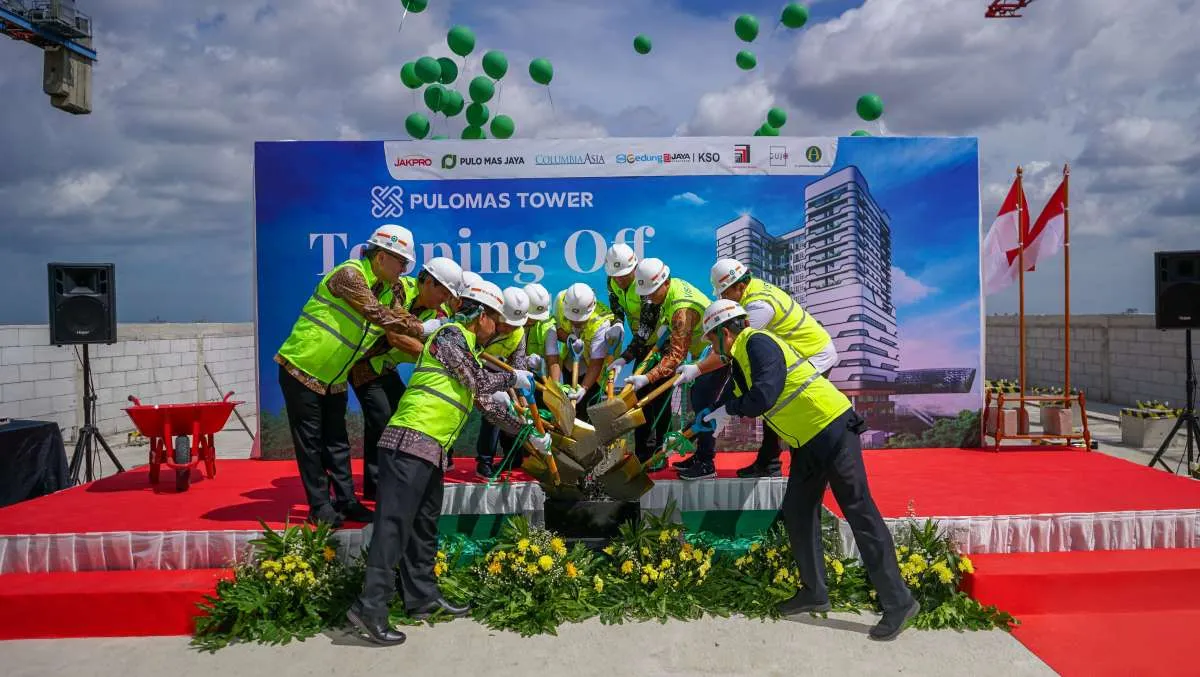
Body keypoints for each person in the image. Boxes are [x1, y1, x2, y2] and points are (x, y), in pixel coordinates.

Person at [693, 299, 919, 641]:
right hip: (807, 440)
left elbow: (764, 395)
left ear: (725, 332)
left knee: (858, 510)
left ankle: (899, 601)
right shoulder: (740, 357)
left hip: (831, 428)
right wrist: (713, 415)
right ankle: (814, 591)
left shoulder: (758, 342)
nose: (712, 349)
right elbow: (738, 396)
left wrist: (730, 409)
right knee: (798, 511)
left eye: (711, 341)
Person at [346, 278, 548, 646]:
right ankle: (370, 606)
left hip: (430, 451)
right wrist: (512, 377)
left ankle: (422, 597)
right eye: (496, 321)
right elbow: (476, 380)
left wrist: (529, 435)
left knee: (423, 528)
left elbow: (486, 404)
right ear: (480, 315)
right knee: (393, 527)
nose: (498, 329)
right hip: (408, 443)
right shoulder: (450, 336)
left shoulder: (467, 348)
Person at [275, 224, 418, 528]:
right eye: (401, 262)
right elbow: (378, 315)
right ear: (381, 257)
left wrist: (421, 326)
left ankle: (346, 501)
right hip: (302, 368)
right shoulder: (350, 275)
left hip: (335, 376)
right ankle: (319, 506)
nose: (404, 269)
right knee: (311, 443)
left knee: (337, 442)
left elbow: (400, 316)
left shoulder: (388, 288)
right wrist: (421, 328)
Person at [677, 259, 838, 478]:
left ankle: (806, 471)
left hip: (813, 354)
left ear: (740, 286)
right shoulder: (749, 294)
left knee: (788, 409)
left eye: (724, 293)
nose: (722, 298)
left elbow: (731, 348)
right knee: (772, 406)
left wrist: (697, 369)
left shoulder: (758, 306)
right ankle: (768, 464)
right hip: (795, 355)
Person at [350, 257, 463, 501]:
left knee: (399, 418)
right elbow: (395, 336)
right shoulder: (400, 289)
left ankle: (378, 484)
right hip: (363, 364)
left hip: (384, 367)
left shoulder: (435, 313)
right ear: (429, 282)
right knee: (381, 420)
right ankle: (379, 486)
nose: (444, 299)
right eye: (443, 292)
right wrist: (430, 354)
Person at [620, 258, 721, 478]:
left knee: (704, 403)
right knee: (700, 402)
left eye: (652, 292)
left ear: (665, 282)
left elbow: (675, 357)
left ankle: (706, 462)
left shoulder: (681, 310)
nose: (649, 297)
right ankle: (701, 456)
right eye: (646, 293)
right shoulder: (671, 290)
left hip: (716, 353)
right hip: (703, 351)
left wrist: (647, 378)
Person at [604, 243, 670, 460]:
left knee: (659, 396)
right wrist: (617, 324)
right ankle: (643, 450)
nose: (620, 279)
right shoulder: (612, 281)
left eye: (624, 275)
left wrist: (624, 358)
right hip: (640, 344)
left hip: (660, 342)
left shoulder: (644, 282)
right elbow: (617, 309)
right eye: (616, 276)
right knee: (639, 396)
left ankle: (661, 450)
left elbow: (646, 328)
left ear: (634, 268)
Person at [475, 286, 537, 478]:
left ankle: (504, 458)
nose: (511, 329)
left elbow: (518, 368)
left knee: (507, 406)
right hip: (466, 371)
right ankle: (455, 458)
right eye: (508, 323)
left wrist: (522, 404)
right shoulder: (480, 322)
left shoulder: (518, 334)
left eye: (515, 325)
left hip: (496, 376)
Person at [554, 283, 621, 418]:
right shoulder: (561, 299)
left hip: (594, 363)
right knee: (570, 405)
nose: (575, 323)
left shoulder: (602, 322)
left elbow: (596, 362)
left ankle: (589, 430)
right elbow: (558, 328)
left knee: (588, 408)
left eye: (580, 320)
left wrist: (583, 389)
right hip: (571, 357)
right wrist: (569, 338)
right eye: (571, 319)